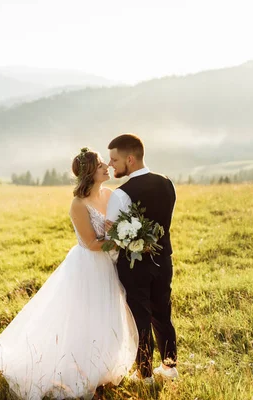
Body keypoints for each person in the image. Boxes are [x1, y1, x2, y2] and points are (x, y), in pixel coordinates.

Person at [0, 148, 138, 399]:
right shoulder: (78, 204)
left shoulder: (111, 195)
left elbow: (118, 225)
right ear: (90, 173)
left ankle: (103, 367)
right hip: (88, 266)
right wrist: (119, 239)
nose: (107, 167)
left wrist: (124, 234)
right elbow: (91, 243)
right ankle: (79, 372)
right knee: (84, 318)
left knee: (107, 313)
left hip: (108, 265)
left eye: (106, 163)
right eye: (101, 164)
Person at [106, 134, 179, 384]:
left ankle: (145, 374)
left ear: (130, 159)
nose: (111, 165)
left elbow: (112, 237)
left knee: (140, 317)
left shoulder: (121, 194)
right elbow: (165, 221)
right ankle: (170, 367)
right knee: (162, 312)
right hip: (164, 260)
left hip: (133, 264)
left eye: (114, 160)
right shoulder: (168, 183)